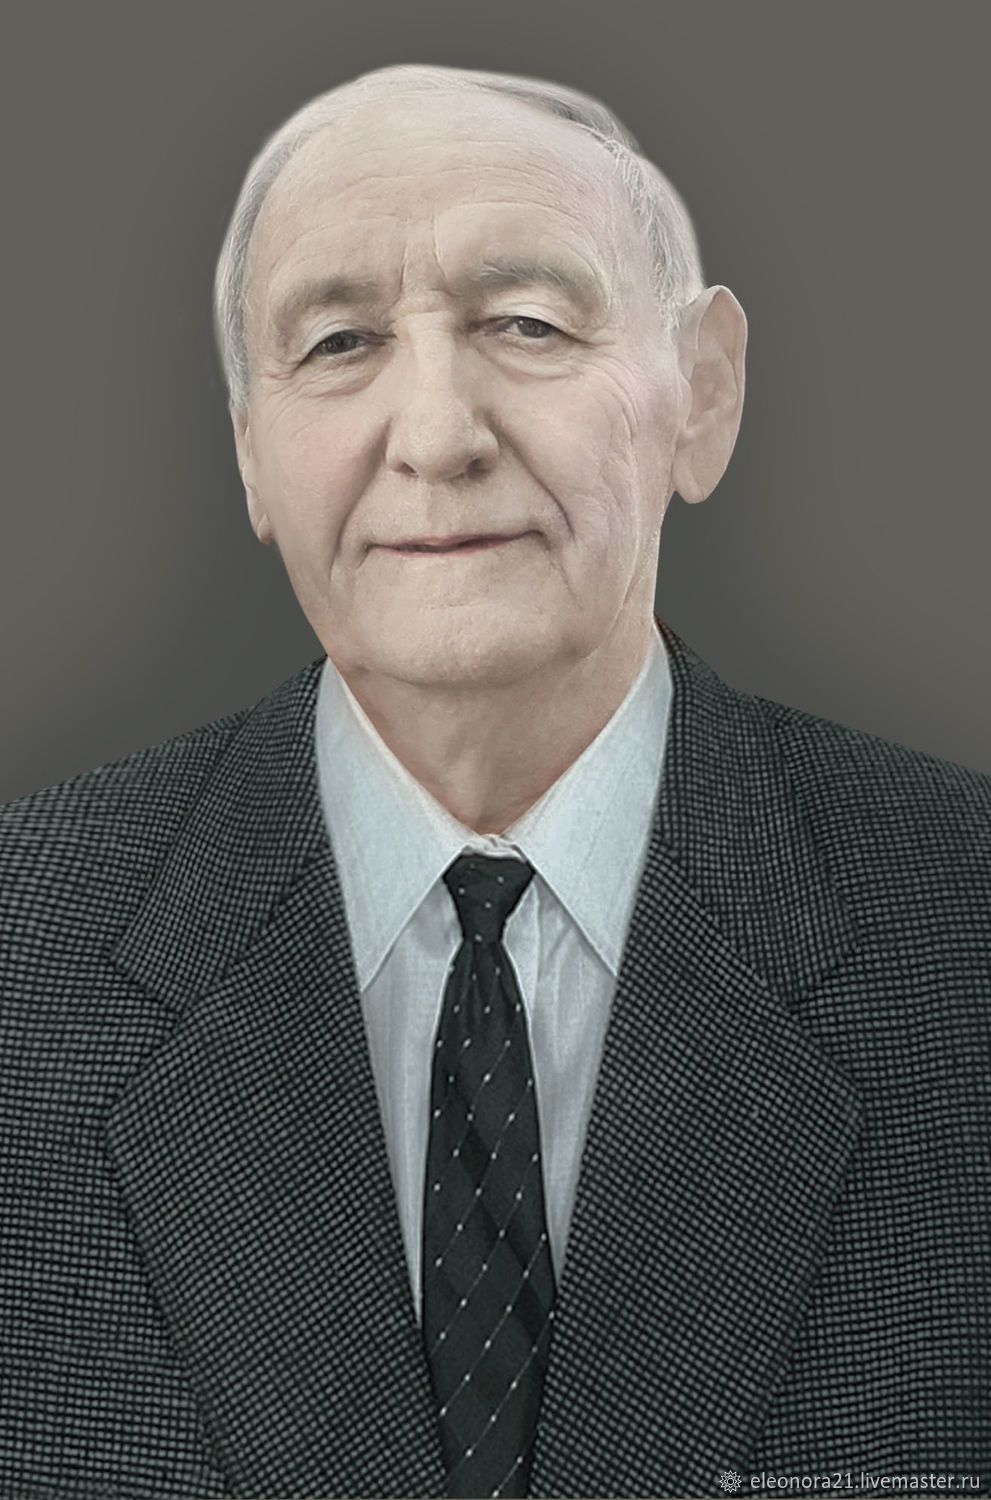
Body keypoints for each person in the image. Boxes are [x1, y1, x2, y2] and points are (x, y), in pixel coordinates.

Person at [1, 62, 988, 1500]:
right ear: (250, 452)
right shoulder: (20, 953)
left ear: (703, 395)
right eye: (339, 343)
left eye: (527, 324)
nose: (438, 435)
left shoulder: (962, 924)